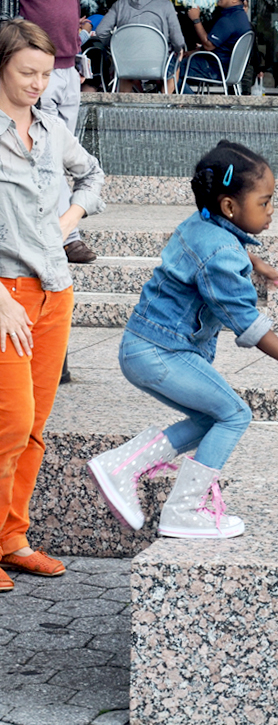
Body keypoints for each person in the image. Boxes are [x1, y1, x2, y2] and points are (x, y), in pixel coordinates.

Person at [87, 141, 278, 540]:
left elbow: (214, 246)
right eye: (265, 202)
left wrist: (254, 260)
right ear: (230, 207)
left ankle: (126, 465)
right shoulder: (220, 251)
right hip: (161, 353)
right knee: (235, 414)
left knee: (209, 418)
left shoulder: (201, 224)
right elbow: (245, 320)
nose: (272, 211)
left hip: (145, 347)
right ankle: (181, 507)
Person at [0, 19, 105, 591]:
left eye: (46, 73)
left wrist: (70, 219)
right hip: (6, 294)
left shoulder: (51, 126)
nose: (39, 83)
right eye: (27, 73)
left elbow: (92, 176)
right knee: (9, 422)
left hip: (54, 290)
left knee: (35, 425)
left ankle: (12, 540)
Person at [19, 0, 97, 264]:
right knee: (48, 153)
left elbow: (68, 21)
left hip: (68, 70)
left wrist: (76, 63)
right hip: (41, 71)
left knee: (61, 153)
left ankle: (57, 227)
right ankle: (69, 237)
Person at [96, 0, 185, 94]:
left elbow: (101, 31)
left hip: (127, 64)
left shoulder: (120, 5)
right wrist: (179, 50)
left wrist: (117, 47)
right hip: (158, 64)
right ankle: (163, 102)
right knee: (175, 68)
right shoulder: (166, 5)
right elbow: (178, 40)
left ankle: (123, 103)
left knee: (125, 68)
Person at [180, 0, 251, 94]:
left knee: (171, 70)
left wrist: (196, 20)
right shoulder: (242, 17)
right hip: (227, 68)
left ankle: (191, 102)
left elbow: (208, 45)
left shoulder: (228, 19)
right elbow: (223, 47)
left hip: (214, 68)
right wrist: (193, 52)